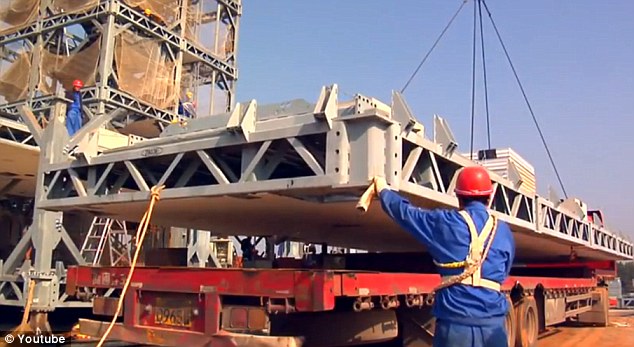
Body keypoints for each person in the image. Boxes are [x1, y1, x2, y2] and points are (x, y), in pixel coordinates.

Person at [370, 165, 515, 347]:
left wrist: (383, 191)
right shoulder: (503, 231)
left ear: (458, 196)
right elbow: (504, 272)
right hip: (493, 328)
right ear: (489, 197)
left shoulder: (444, 223)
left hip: (455, 328)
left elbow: (406, 214)